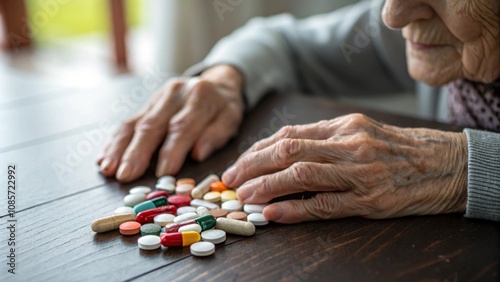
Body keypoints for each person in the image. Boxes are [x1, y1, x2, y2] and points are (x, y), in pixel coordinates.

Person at [97, 0, 500, 223]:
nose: (392, 14)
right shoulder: (425, 24)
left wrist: (466, 166)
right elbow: (285, 45)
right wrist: (225, 79)